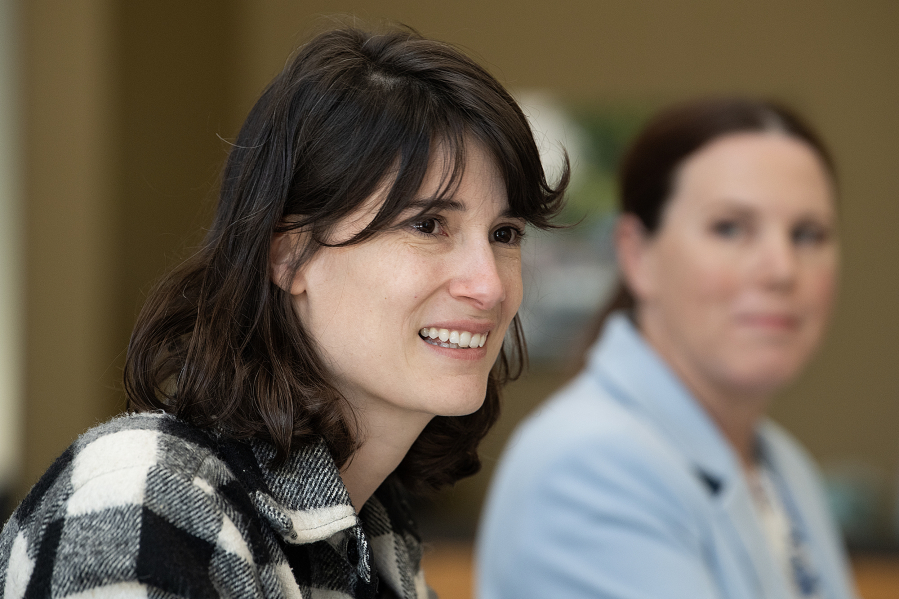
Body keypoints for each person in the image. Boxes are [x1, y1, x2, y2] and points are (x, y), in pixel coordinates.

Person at [0, 25, 567, 598]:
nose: (491, 286)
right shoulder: (148, 496)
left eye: (505, 232)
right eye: (427, 225)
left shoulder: (376, 537)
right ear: (291, 255)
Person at [477, 98, 858, 599]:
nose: (782, 269)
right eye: (730, 228)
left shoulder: (787, 467)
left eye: (808, 234)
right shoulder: (587, 470)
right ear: (637, 255)